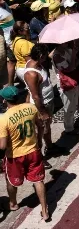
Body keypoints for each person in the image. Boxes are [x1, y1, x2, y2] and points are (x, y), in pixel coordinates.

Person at [0, 85, 49, 221]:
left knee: (11, 181)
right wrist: (39, 141)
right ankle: (45, 211)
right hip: (33, 151)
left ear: (4, 100)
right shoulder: (31, 108)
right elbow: (41, 125)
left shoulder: (4, 118)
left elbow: (2, 146)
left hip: (14, 156)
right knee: (38, 180)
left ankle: (13, 203)